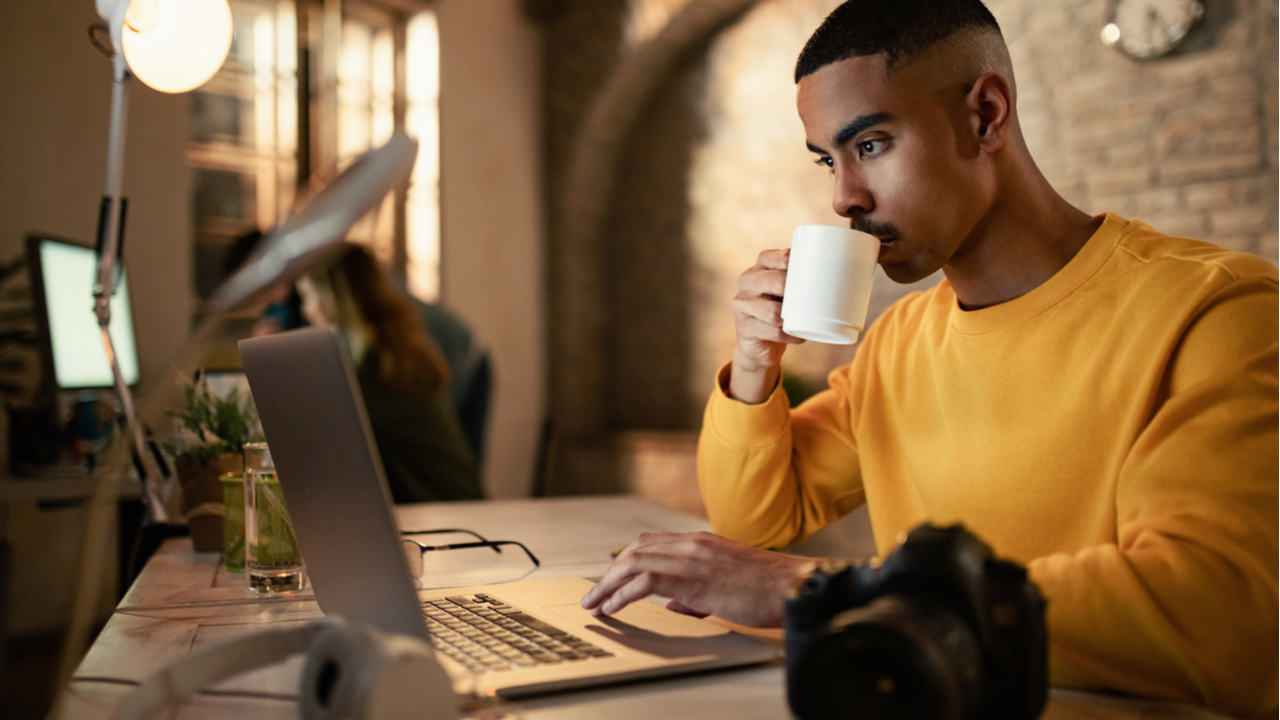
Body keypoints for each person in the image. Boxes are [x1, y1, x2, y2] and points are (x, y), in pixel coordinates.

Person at [579, 1, 1278, 715]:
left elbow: (1216, 615)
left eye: (871, 145)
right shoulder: (897, 343)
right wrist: (754, 366)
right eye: (829, 160)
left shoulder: (1217, 311)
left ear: (985, 116)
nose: (843, 197)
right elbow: (754, 521)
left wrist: (819, 592)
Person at [296, 243, 485, 504]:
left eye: (310, 297)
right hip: (455, 505)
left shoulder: (375, 374)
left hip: (451, 515)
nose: (307, 310)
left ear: (335, 297)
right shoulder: (390, 355)